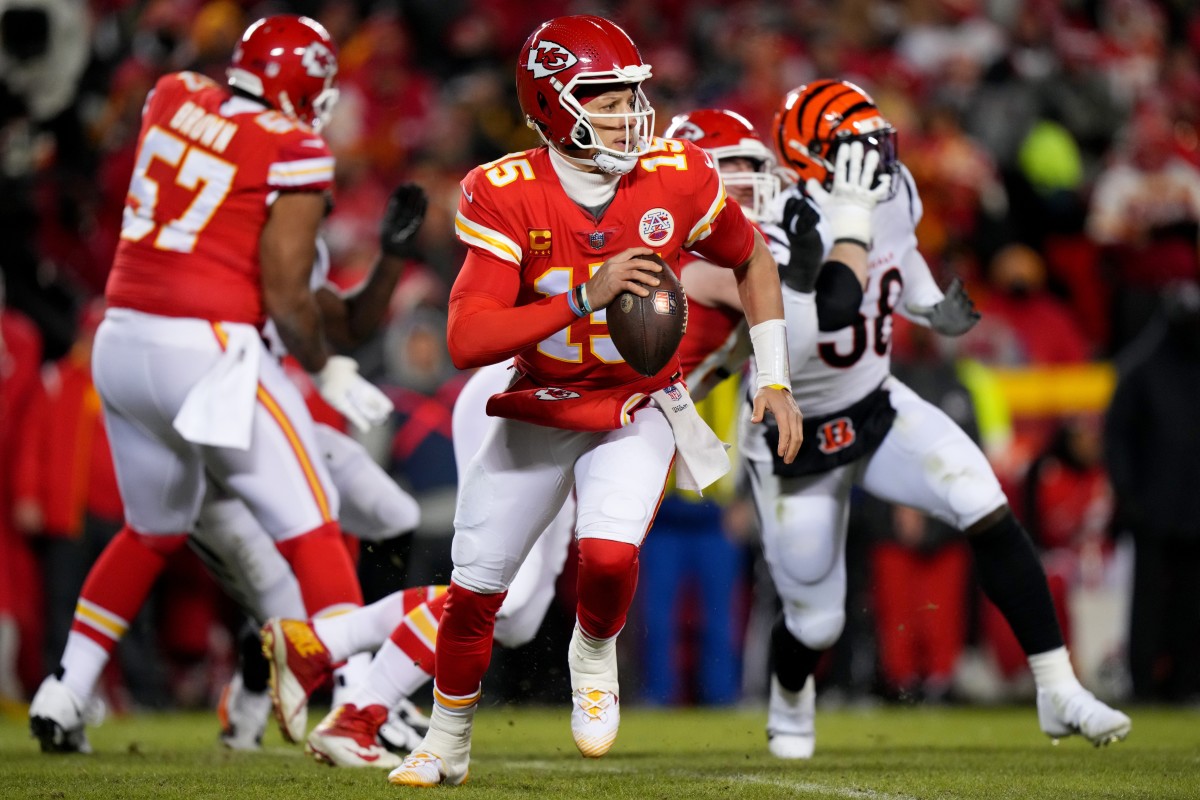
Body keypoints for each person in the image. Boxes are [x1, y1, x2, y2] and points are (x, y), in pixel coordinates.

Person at [258, 101, 801, 770]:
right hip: (532, 397)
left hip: (609, 414)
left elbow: (767, 293)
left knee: (513, 611)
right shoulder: (683, 250)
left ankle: (327, 656)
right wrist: (821, 257)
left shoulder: (705, 236)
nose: (751, 186)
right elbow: (755, 282)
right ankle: (357, 705)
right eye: (737, 172)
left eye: (756, 171)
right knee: (503, 598)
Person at [381, 15, 801, 786]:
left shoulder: (674, 174)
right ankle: (447, 740)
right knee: (478, 587)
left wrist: (772, 378)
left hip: (637, 401)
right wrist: (584, 293)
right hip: (540, 400)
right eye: (604, 99)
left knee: (607, 556)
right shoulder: (504, 190)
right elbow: (469, 340)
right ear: (549, 106)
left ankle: (594, 647)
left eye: (630, 96)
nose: (626, 115)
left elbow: (753, 260)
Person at [28, 14, 393, 754]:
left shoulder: (173, 94)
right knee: (316, 524)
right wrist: (324, 362)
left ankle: (66, 691)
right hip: (210, 350)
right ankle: (358, 705)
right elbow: (288, 296)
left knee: (152, 529)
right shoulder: (294, 145)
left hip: (123, 340)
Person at [740, 79, 1130, 758]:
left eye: (876, 144)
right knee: (818, 618)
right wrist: (853, 220)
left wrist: (924, 302)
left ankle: (1056, 686)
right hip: (794, 427)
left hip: (874, 398)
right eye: (856, 150)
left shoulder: (892, 193)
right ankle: (790, 702)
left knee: (983, 501)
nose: (878, 161)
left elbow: (901, 252)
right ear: (810, 158)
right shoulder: (784, 225)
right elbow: (832, 309)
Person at [1104, 282, 1200, 702]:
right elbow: (1117, 438)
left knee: (1191, 602)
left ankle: (1186, 684)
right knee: (1148, 603)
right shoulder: (1141, 367)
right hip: (1153, 508)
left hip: (1193, 508)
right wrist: (1128, 494)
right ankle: (1143, 683)